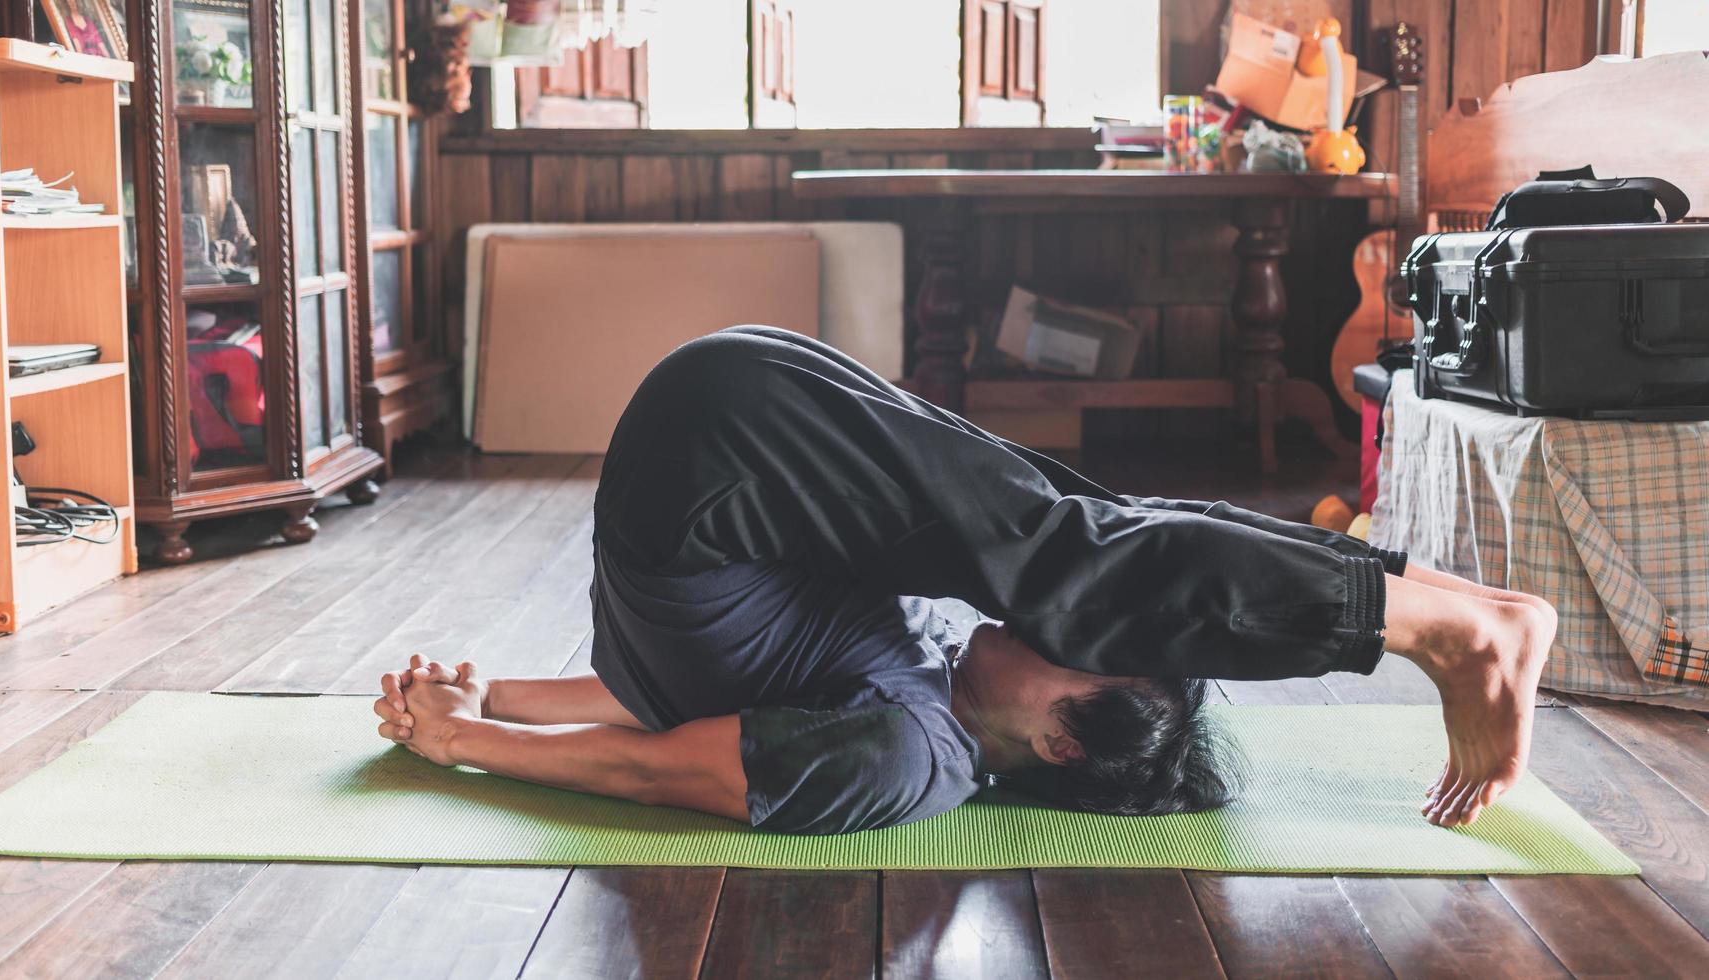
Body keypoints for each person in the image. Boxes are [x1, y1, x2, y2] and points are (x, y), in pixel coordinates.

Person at [373, 327, 1555, 835]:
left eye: (1089, 653)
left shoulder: (912, 757)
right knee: (1094, 532)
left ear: (1063, 741)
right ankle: (1427, 604)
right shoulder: (939, 655)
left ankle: (1445, 625)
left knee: (1075, 558)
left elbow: (667, 760)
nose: (1051, 631)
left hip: (710, 472)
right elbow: (695, 698)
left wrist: (472, 744)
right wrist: (489, 695)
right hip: (758, 426)